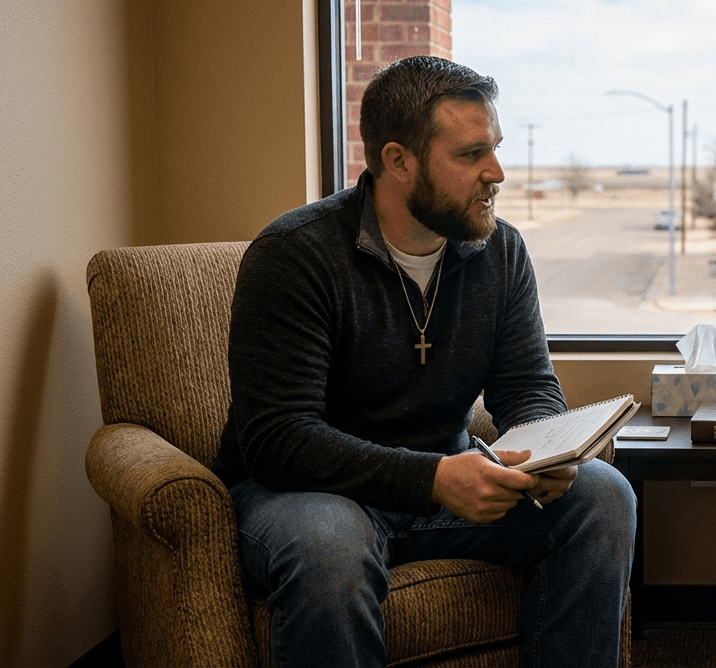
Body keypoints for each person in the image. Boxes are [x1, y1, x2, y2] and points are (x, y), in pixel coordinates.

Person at [210, 55, 636, 667]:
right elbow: (277, 438)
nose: (497, 173)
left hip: (444, 485)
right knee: (330, 544)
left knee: (601, 496)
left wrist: (547, 453)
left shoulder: (499, 251)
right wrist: (434, 478)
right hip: (304, 492)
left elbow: (527, 388)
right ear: (398, 161)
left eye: (494, 149)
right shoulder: (294, 255)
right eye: (470, 156)